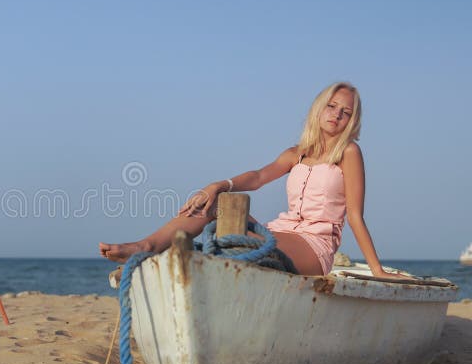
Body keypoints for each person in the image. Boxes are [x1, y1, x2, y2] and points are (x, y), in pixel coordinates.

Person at [99, 82, 401, 278]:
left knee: (243, 241)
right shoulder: (296, 153)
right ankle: (145, 245)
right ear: (319, 108)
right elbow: (257, 177)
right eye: (332, 106)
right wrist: (221, 184)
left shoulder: (348, 152)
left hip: (314, 245)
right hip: (280, 230)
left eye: (346, 112)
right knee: (215, 205)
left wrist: (377, 270)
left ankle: (183, 259)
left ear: (352, 121)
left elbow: (355, 215)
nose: (336, 115)